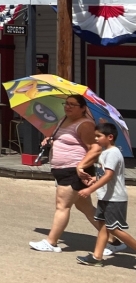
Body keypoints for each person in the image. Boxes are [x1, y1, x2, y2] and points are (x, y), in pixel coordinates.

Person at [30, 94, 106, 252]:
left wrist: (81, 166)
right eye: (66, 103)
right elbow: (64, 140)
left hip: (74, 170)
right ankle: (113, 239)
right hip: (64, 170)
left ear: (83, 108)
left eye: (73, 104)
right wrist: (50, 141)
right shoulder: (64, 120)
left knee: (62, 206)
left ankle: (51, 242)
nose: (68, 107)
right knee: (85, 207)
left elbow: (95, 148)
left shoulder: (85, 124)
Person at [76, 122, 136, 265]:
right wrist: (94, 179)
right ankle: (97, 257)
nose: (96, 138)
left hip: (115, 198)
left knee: (113, 229)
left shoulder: (113, 153)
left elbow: (109, 175)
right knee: (103, 226)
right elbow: (105, 174)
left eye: (99, 136)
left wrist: (90, 189)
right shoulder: (105, 153)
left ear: (110, 137)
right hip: (106, 196)